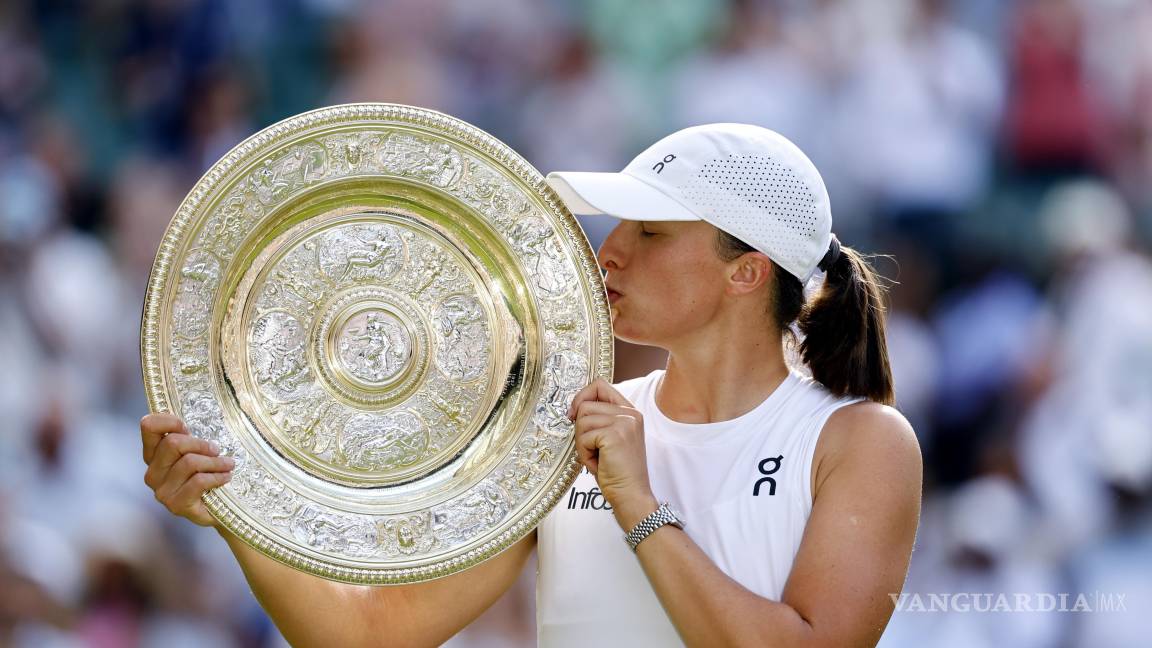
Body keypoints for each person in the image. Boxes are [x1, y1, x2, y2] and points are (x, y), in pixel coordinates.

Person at [140, 123, 922, 647]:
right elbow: (373, 635)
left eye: (650, 232)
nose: (609, 252)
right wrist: (236, 509)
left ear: (746, 273)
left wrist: (638, 503)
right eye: (619, 226)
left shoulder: (860, 442)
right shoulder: (566, 427)